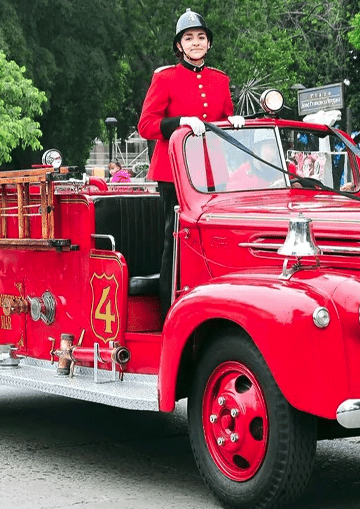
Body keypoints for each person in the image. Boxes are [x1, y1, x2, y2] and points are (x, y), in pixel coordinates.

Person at [137, 9, 245, 318]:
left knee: (215, 239)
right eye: (189, 38)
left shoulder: (220, 80)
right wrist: (180, 122)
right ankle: (169, 312)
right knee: (177, 240)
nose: (195, 43)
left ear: (208, 44)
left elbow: (221, 119)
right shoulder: (165, 78)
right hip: (175, 173)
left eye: (200, 37)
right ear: (179, 46)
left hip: (213, 173)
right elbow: (146, 125)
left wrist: (234, 121)